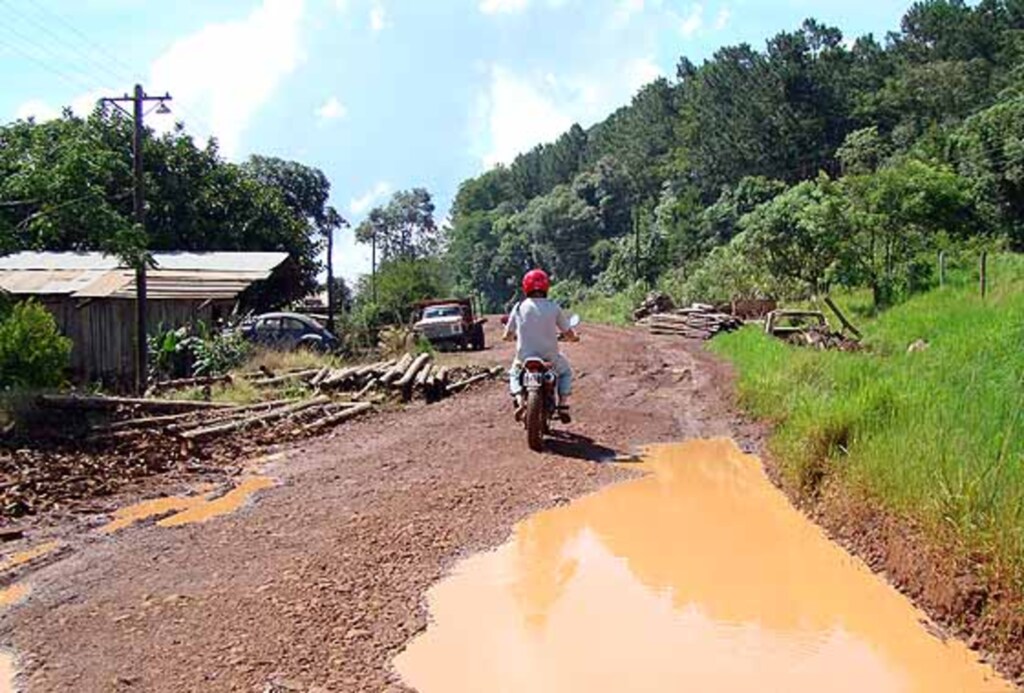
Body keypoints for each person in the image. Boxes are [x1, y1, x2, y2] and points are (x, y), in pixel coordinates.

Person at [503, 269, 578, 423]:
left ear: (526, 286)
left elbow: (507, 334)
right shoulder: (554, 307)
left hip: (524, 358)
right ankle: (563, 404)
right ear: (546, 287)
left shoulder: (518, 307)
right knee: (565, 373)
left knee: (513, 374)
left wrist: (510, 337)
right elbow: (568, 331)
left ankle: (519, 401)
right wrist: (573, 337)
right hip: (550, 358)